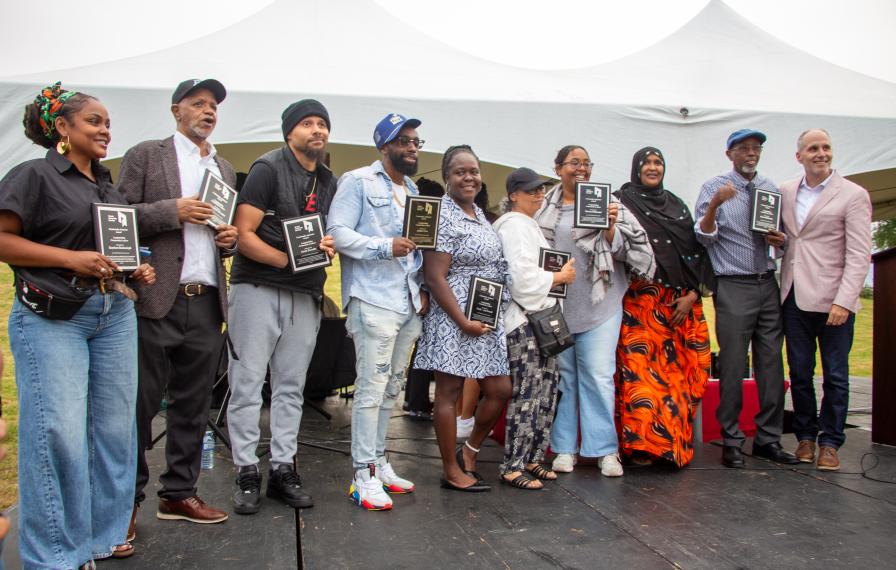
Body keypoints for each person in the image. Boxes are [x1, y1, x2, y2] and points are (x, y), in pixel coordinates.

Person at [0, 82, 155, 568]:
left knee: (113, 434)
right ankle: (53, 556)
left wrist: (133, 268)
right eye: (95, 121)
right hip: (53, 318)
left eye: (108, 122)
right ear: (62, 128)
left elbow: (109, 251)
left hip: (114, 315)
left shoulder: (105, 186)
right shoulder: (32, 176)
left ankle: (99, 539)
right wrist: (74, 259)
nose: (106, 129)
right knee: (58, 434)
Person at [118, 78, 236, 536]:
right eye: (198, 104)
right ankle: (125, 501)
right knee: (140, 406)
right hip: (156, 300)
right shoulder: (146, 154)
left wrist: (228, 240)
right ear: (176, 110)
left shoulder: (223, 166)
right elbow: (118, 216)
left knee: (193, 406)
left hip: (206, 302)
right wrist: (173, 211)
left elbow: (222, 231)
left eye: (213, 107)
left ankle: (178, 493)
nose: (208, 112)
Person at [226, 99, 337, 514]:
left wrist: (329, 244)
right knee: (248, 382)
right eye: (307, 123)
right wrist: (288, 260)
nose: (316, 130)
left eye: (322, 123)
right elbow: (244, 234)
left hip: (305, 295)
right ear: (289, 132)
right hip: (258, 287)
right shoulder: (267, 169)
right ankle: (245, 470)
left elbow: (332, 234)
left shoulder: (330, 180)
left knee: (292, 386)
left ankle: (283, 469)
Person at [327, 113, 428, 510]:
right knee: (370, 389)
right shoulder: (357, 181)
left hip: (406, 301)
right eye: (404, 141)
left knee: (392, 389)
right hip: (373, 298)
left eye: (416, 141)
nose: (412, 148)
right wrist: (385, 246)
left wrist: (420, 289)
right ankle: (362, 474)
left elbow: (417, 247)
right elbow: (337, 234)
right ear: (384, 146)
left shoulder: (415, 189)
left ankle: (381, 461)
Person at [535, 145, 654, 478]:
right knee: (565, 380)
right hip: (558, 306)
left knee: (599, 377)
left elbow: (637, 249)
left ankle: (604, 450)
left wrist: (612, 230)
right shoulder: (544, 207)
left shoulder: (610, 203)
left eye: (587, 163)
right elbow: (531, 249)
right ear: (558, 168)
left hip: (600, 303)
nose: (582, 169)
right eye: (574, 163)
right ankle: (563, 449)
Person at [694, 129, 799, 468]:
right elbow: (703, 237)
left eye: (756, 148)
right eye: (744, 149)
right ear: (730, 154)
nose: (752, 153)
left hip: (766, 281)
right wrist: (715, 205)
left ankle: (769, 439)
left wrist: (780, 239)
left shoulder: (770, 188)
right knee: (735, 364)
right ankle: (732, 440)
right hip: (733, 283)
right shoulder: (714, 187)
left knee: (771, 364)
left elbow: (782, 241)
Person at [414, 144, 512, 492]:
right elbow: (435, 276)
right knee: (449, 392)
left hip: (485, 313)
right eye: (460, 171)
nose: (468, 177)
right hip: (454, 314)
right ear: (446, 178)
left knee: (500, 389)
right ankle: (451, 470)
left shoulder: (478, 213)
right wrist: (461, 320)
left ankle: (469, 451)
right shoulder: (443, 214)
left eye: (473, 170)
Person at [615, 147, 715, 467]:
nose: (653, 167)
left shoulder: (678, 206)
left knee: (685, 376)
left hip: (680, 305)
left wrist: (693, 295)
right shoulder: (621, 201)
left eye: (658, 162)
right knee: (642, 378)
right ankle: (642, 448)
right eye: (647, 162)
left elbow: (695, 254)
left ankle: (672, 447)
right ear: (636, 168)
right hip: (641, 304)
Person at [779, 129, 872, 471]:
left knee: (835, 375)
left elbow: (860, 254)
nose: (821, 153)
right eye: (813, 148)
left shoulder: (853, 195)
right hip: (793, 297)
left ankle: (830, 442)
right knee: (800, 373)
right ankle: (805, 436)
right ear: (799, 156)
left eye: (826, 147)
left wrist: (844, 301)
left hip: (834, 300)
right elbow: (789, 240)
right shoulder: (786, 191)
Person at [493, 167, 576, 489]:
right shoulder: (514, 226)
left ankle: (532, 457)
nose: (539, 195)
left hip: (540, 319)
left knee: (545, 393)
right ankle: (513, 464)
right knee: (528, 394)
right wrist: (558, 278)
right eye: (531, 191)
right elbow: (520, 278)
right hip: (525, 321)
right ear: (513, 194)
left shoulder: (528, 225)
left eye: (541, 190)